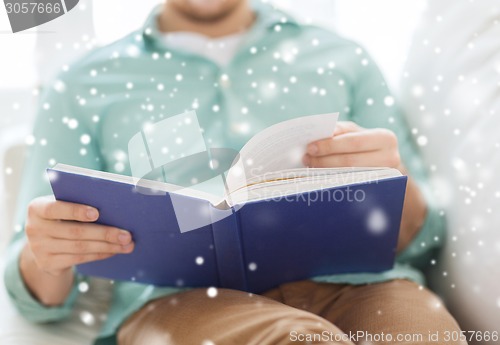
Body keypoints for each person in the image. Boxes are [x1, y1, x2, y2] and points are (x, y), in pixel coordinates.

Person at [4, 0, 466, 344]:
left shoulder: (344, 58)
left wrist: (392, 180)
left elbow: (423, 236)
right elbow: (37, 288)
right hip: (179, 307)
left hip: (365, 288)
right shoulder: (81, 84)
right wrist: (47, 252)